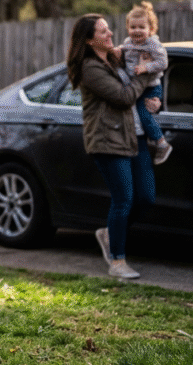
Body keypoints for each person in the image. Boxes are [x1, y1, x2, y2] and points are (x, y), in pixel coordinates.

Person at [67, 14, 159, 279]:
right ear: (89, 39)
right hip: (107, 140)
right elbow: (123, 97)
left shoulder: (116, 57)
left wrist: (154, 100)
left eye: (109, 29)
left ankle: (110, 233)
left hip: (134, 136)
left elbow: (145, 81)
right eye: (103, 32)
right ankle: (117, 261)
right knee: (124, 200)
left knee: (146, 197)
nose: (110, 34)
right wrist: (144, 73)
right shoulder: (90, 68)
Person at [117, 2, 172, 165]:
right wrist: (117, 50)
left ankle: (162, 143)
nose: (137, 31)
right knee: (138, 116)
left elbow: (163, 62)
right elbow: (123, 49)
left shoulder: (153, 44)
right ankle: (151, 141)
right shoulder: (129, 42)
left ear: (151, 29)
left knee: (144, 114)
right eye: (133, 27)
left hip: (151, 88)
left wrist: (145, 67)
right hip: (137, 88)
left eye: (142, 27)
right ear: (128, 29)